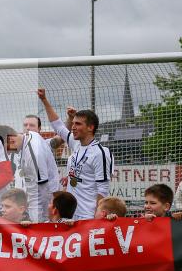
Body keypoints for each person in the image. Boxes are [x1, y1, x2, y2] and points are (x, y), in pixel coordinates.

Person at [38, 89, 112, 220]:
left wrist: (97, 217)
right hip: (70, 215)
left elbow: (103, 189)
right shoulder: (75, 143)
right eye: (73, 124)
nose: (73, 127)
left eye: (78, 124)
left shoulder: (100, 153)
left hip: (88, 216)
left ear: (91, 127)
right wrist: (44, 100)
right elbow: (58, 126)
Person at [14, 121, 61, 222]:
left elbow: (44, 189)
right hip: (28, 201)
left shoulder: (35, 150)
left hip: (41, 204)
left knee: (41, 230)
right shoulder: (24, 143)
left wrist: (46, 211)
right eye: (25, 125)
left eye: (31, 125)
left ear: (39, 128)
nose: (28, 128)